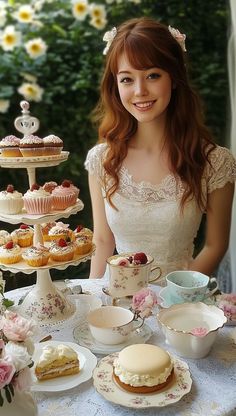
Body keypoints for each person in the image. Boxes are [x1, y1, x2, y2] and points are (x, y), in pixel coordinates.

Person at [85, 17, 236, 282]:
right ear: (115, 85)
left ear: (174, 78)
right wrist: (93, 301)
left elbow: (215, 246)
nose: (140, 91)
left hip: (178, 307)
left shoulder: (215, 161)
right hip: (117, 305)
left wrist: (172, 298)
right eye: (127, 79)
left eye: (153, 75)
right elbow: (102, 239)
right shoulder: (102, 159)